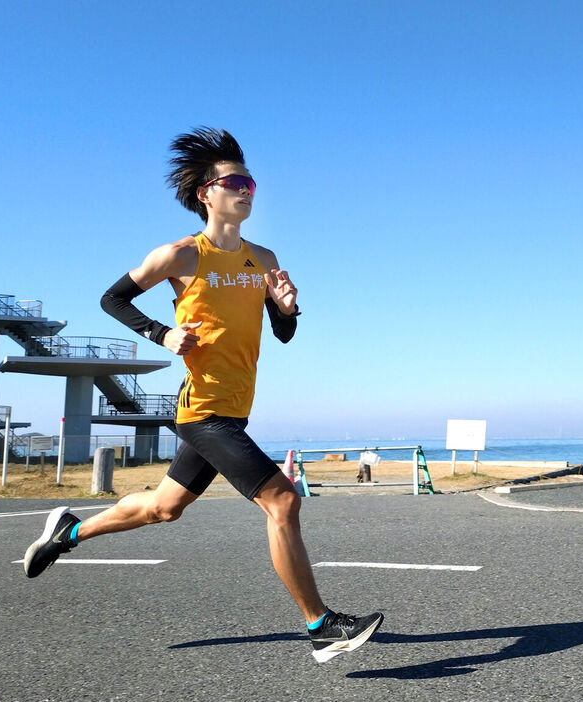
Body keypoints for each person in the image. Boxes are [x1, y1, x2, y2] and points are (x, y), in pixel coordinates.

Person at [23, 127, 383, 662]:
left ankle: (67, 532)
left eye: (250, 181)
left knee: (164, 509)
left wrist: (286, 308)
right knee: (283, 500)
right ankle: (320, 626)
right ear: (205, 194)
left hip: (234, 411)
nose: (246, 189)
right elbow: (112, 299)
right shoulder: (180, 256)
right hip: (202, 411)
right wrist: (161, 333)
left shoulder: (263, 257)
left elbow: (281, 334)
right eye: (233, 181)